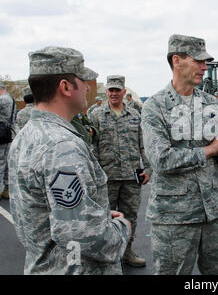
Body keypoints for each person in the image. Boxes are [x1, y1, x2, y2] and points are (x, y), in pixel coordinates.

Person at [7, 46, 131, 274]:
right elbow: (81, 234)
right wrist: (120, 228)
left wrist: (100, 215)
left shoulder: (27, 135)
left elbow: (48, 211)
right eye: (83, 80)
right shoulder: (62, 147)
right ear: (65, 87)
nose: (87, 87)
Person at [141, 34, 218, 275]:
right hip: (174, 218)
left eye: (206, 62)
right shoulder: (155, 107)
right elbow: (161, 160)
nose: (204, 67)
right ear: (177, 61)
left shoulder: (213, 104)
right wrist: (211, 149)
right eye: (198, 61)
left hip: (213, 214)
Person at [89, 75, 151, 267]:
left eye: (118, 90)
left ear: (124, 92)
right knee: (103, 218)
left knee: (130, 217)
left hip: (131, 177)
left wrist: (148, 167)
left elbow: (144, 144)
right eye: (111, 90)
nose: (114, 93)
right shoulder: (96, 115)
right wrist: (93, 173)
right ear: (106, 92)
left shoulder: (135, 115)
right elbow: (91, 147)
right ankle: (106, 256)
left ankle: (127, 252)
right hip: (105, 178)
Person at [0, 81, 16, 200]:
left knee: (1, 163)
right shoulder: (10, 99)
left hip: (2, 134)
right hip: (8, 133)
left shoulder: (3, 100)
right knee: (6, 163)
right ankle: (6, 189)